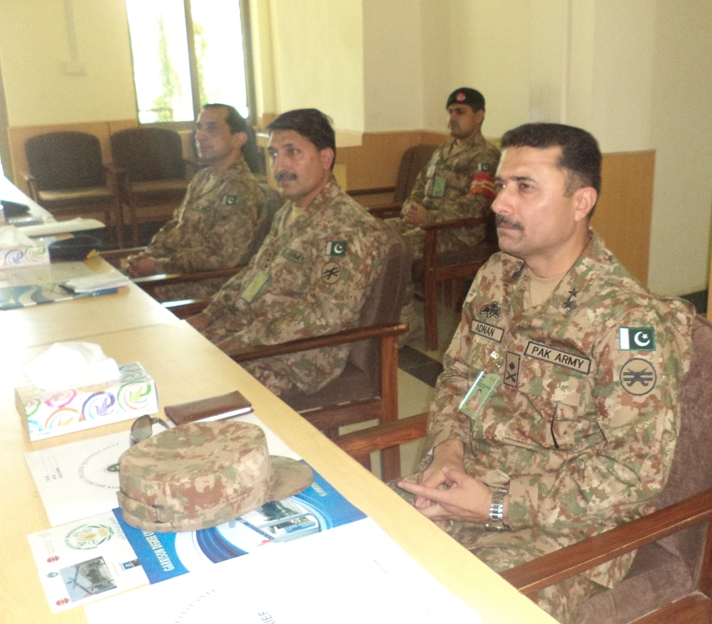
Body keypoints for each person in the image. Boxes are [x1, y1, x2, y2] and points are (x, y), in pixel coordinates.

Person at [396, 122, 695, 624]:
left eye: (525, 187)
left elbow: (635, 471)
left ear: (581, 202)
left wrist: (497, 506)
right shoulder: (497, 275)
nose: (498, 203)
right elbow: (465, 377)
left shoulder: (627, 320)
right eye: (501, 184)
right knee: (358, 556)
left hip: (562, 530)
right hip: (470, 478)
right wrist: (448, 448)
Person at [188, 109, 391, 396]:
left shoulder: (347, 228)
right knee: (177, 355)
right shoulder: (289, 212)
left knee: (195, 384)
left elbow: (325, 315)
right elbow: (256, 273)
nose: (279, 166)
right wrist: (211, 313)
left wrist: (246, 339)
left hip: (295, 358)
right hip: (252, 331)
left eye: (292, 152)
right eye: (274, 154)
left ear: (325, 158)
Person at [126, 104, 276, 300]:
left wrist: (159, 266)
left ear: (238, 139)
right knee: (114, 286)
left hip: (207, 286)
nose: (200, 136)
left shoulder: (241, 189)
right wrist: (149, 254)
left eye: (211, 128)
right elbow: (177, 225)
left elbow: (221, 257)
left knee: (126, 297)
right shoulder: (202, 178)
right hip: (176, 273)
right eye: (198, 128)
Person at [386, 87, 500, 263]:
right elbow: (420, 184)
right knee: (375, 232)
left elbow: (478, 205)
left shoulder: (485, 155)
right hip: (423, 223)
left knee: (392, 248)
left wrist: (429, 217)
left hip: (454, 232)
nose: (452, 117)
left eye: (460, 112)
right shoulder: (442, 150)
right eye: (450, 112)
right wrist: (411, 208)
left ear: (478, 116)